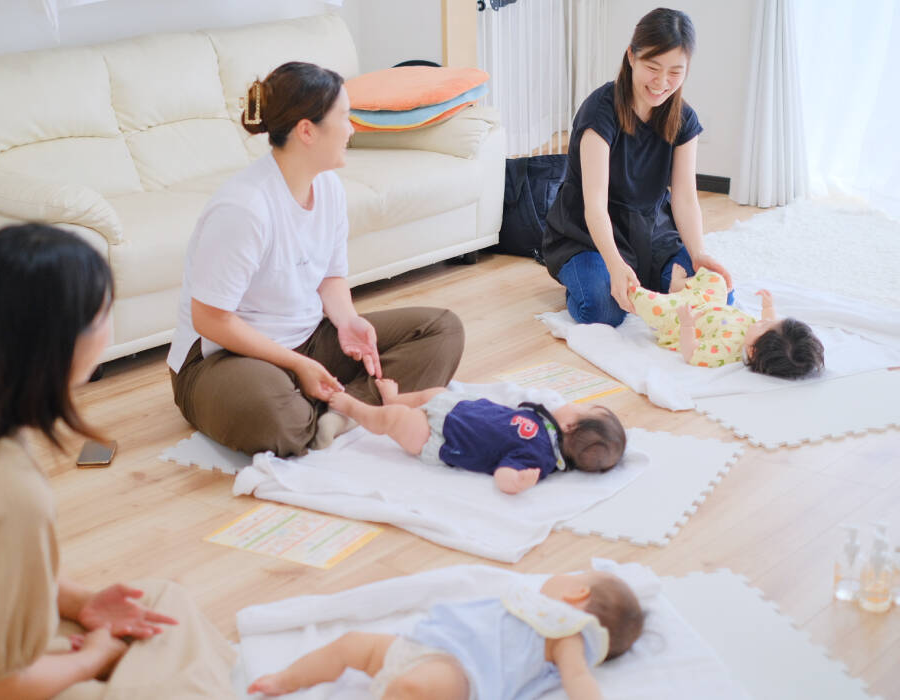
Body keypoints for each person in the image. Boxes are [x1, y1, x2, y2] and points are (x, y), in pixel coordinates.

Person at [0, 224, 236, 700]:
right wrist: (92, 658)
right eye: (103, 314)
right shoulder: (11, 492)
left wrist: (85, 603)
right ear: (63, 343)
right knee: (177, 667)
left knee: (160, 602)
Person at [167, 61, 464, 457]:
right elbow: (210, 319)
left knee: (443, 330)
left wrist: (347, 321)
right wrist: (297, 365)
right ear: (307, 131)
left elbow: (330, 277)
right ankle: (342, 406)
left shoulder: (329, 189)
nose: (352, 128)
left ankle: (341, 412)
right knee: (276, 417)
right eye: (344, 117)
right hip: (222, 359)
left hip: (308, 338)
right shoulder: (244, 208)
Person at [543, 8, 733, 328]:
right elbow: (595, 208)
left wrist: (697, 253)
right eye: (652, 67)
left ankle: (649, 283)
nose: (661, 82)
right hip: (588, 235)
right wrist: (615, 265)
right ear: (631, 56)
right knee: (604, 310)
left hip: (650, 233)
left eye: (675, 71)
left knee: (720, 295)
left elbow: (685, 198)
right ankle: (595, 279)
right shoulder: (599, 112)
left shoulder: (683, 119)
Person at [248, 570, 644, 699]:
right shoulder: (529, 601)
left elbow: (577, 677)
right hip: (419, 645)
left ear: (578, 594)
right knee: (351, 644)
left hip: (461, 675)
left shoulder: (567, 632)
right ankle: (287, 679)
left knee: (412, 687)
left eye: (574, 575)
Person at [327, 378, 626, 494]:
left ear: (570, 426)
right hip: (455, 407)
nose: (573, 404)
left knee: (397, 421)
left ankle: (354, 408)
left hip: (440, 438)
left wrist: (517, 482)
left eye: (582, 408)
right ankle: (395, 397)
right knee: (432, 391)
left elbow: (505, 473)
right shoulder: (546, 422)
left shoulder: (540, 458)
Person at [630, 265, 825, 377]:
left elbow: (691, 353)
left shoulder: (725, 351)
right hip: (708, 303)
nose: (763, 321)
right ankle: (679, 286)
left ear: (752, 351)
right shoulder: (761, 336)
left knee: (650, 305)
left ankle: (634, 290)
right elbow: (770, 323)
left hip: (677, 320)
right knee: (718, 281)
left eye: (765, 325)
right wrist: (768, 307)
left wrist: (687, 324)